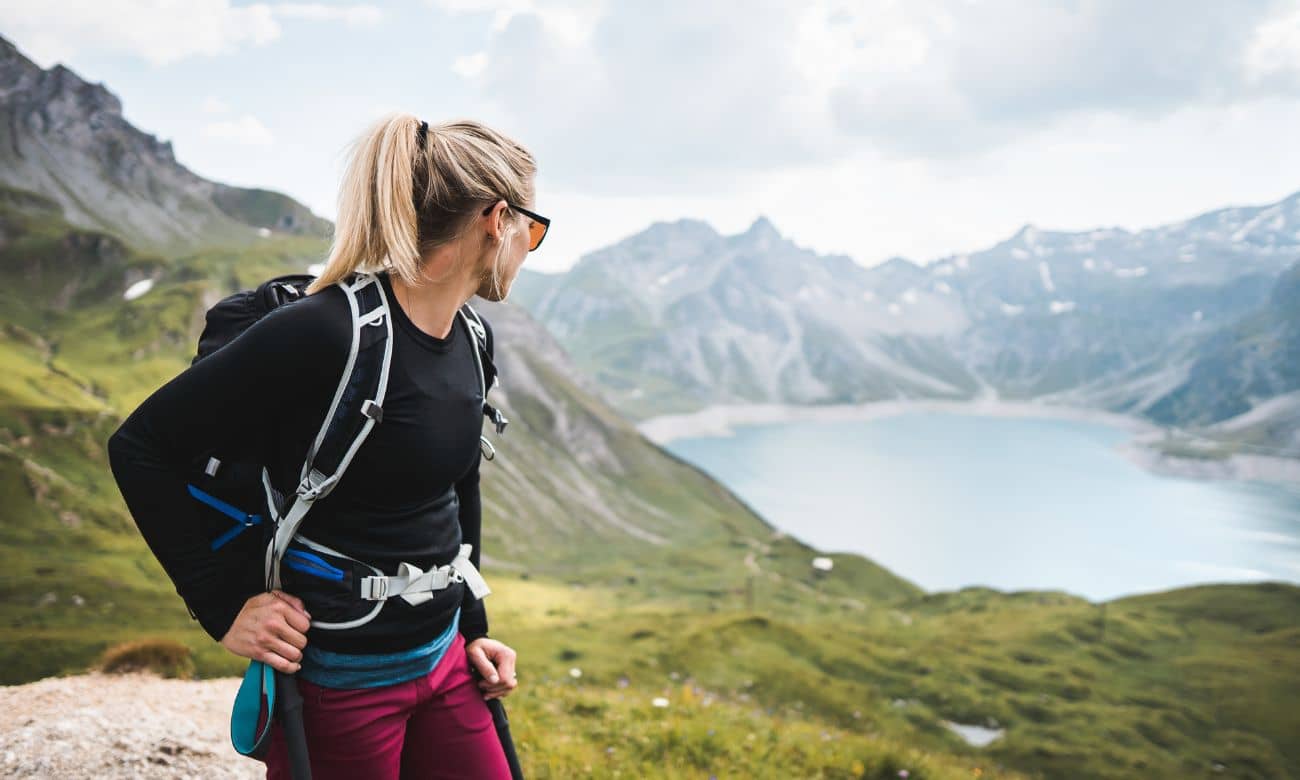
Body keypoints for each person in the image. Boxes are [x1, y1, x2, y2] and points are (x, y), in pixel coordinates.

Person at [107, 114, 549, 779]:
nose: (530, 245)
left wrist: (475, 629)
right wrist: (223, 608)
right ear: (496, 218)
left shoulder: (472, 336)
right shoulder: (327, 332)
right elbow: (140, 445)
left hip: (445, 659)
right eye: (533, 228)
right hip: (341, 679)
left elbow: (459, 491)